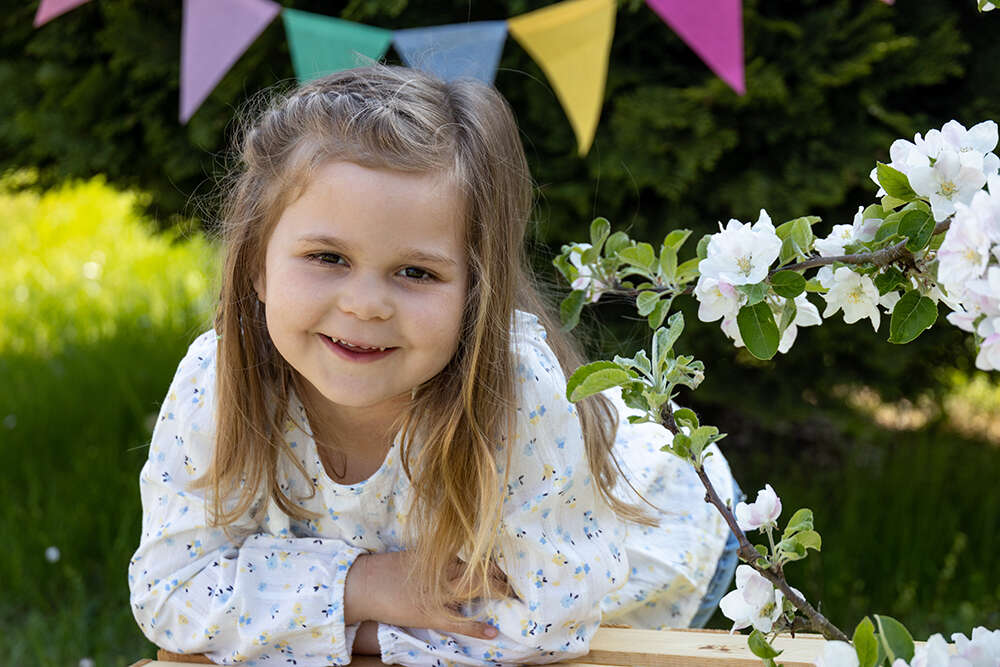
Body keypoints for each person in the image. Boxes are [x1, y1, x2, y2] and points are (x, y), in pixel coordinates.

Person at [128, 65, 738, 666]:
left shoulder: (517, 393)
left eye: (416, 272)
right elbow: (169, 594)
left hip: (656, 540)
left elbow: (546, 626)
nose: (365, 305)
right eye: (327, 257)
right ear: (258, 265)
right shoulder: (218, 377)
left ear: (478, 291)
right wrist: (366, 590)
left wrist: (322, 626)